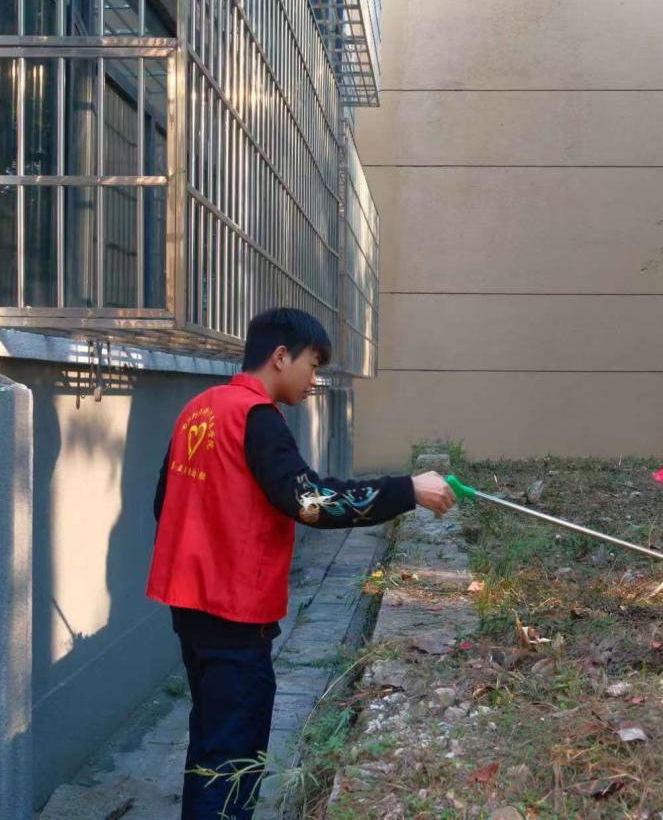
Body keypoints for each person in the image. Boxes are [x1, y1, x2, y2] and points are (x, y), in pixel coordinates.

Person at [147, 308, 457, 819]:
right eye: (312, 365)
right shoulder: (258, 418)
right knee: (233, 761)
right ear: (280, 357)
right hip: (234, 615)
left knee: (209, 746)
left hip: (191, 609)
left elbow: (165, 503)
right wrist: (407, 490)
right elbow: (311, 502)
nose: (314, 380)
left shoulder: (198, 409)